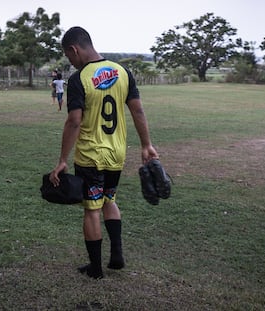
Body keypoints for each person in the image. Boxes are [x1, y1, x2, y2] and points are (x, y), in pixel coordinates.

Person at [49, 27, 159, 279]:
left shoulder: (79, 79)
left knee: (91, 209)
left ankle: (96, 269)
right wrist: (146, 144)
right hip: (116, 153)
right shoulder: (123, 72)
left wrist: (62, 161)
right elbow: (138, 111)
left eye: (69, 57)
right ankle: (117, 255)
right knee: (109, 199)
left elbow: (74, 121)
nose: (71, 62)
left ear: (74, 49)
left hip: (91, 156)